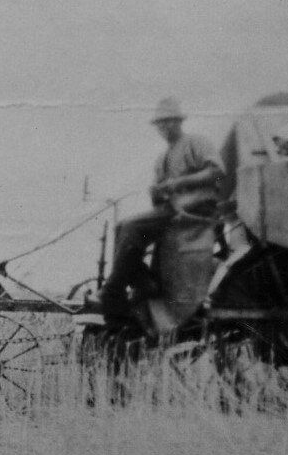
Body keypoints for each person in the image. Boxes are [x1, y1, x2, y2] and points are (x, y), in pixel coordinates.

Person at [96, 97, 225, 315]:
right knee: (121, 227)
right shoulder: (162, 158)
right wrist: (156, 193)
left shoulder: (196, 142)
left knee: (132, 227)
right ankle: (143, 282)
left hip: (197, 209)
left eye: (168, 121)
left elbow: (217, 171)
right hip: (171, 212)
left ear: (178, 121)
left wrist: (178, 183)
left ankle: (112, 290)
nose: (163, 127)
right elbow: (160, 200)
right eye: (160, 123)